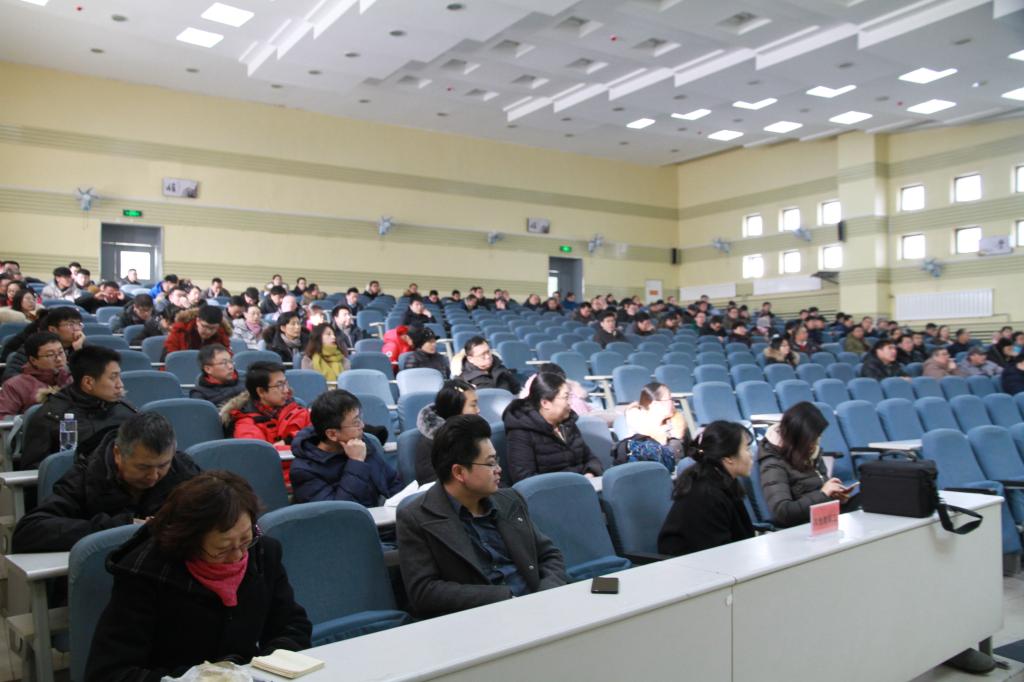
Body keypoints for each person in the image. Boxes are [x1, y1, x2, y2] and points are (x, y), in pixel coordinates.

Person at [84, 471, 312, 681]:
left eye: (246, 539)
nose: (238, 556)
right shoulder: (145, 575)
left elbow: (292, 626)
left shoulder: (262, 553)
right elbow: (109, 673)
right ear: (190, 542)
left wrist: (264, 668)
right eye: (222, 549)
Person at [396, 415, 566, 618]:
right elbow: (424, 591)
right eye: (491, 463)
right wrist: (504, 598)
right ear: (459, 472)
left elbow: (549, 555)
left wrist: (546, 594)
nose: (499, 470)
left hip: (540, 609)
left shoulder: (509, 499)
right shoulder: (416, 517)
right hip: (480, 620)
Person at [12, 412, 199, 553]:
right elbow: (29, 532)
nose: (153, 476)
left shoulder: (182, 469)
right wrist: (121, 528)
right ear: (118, 454)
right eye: (143, 467)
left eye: (163, 465)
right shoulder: (86, 476)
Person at [21, 346, 136, 469]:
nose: (120, 384)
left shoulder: (125, 409)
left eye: (119, 376)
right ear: (88, 382)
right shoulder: (52, 416)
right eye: (113, 377)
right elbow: (35, 469)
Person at [657, 421, 754, 556]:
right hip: (689, 563)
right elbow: (717, 552)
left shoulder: (724, 481)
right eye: (747, 449)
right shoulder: (707, 493)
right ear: (729, 458)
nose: (751, 455)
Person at [290, 390, 403, 506]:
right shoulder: (303, 471)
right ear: (332, 434)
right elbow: (341, 512)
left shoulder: (361, 442)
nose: (362, 426)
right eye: (356, 423)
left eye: (360, 419)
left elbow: (393, 483)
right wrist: (356, 462)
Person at [758, 402, 855, 528]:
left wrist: (835, 497)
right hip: (799, 530)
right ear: (798, 437)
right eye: (812, 439)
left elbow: (818, 493)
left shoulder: (810, 453)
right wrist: (823, 494)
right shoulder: (773, 463)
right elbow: (783, 512)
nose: (815, 444)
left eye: (818, 437)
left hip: (822, 522)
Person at [503, 371, 603, 483]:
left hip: (583, 484)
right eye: (566, 397)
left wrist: (590, 474)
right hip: (552, 490)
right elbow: (524, 478)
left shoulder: (567, 423)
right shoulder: (521, 432)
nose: (570, 403)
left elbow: (591, 459)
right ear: (545, 403)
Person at [221, 361, 311, 447]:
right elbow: (260, 453)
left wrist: (289, 441)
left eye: (285, 383)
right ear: (261, 391)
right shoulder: (246, 424)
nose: (286, 390)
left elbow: (317, 430)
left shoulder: (296, 409)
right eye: (279, 385)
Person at [414, 379, 479, 485]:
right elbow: (431, 483)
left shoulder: (474, 432)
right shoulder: (431, 443)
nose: (478, 410)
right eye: (473, 405)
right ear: (455, 408)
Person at [2, 306, 86, 383]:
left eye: (79, 324)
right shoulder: (34, 346)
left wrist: (79, 350)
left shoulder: (81, 346)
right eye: (70, 324)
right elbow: (10, 377)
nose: (77, 329)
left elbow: (88, 377)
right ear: (53, 329)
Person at [0, 332, 73, 419]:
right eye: (50, 355)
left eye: (61, 352)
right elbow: (3, 419)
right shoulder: (15, 386)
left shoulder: (72, 379)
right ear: (33, 360)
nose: (59, 359)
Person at [162, 304, 232, 360]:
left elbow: (226, 360)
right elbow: (169, 359)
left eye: (213, 328)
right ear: (197, 321)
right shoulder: (180, 331)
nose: (208, 331)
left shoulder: (222, 336)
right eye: (205, 326)